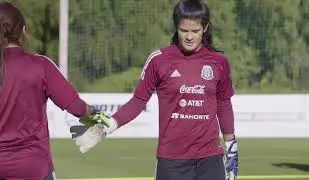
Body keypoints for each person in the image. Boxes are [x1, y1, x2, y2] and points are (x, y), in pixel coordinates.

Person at [72, 0, 238, 179]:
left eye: (195, 31)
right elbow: (138, 102)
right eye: (184, 30)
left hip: (210, 160)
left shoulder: (219, 62)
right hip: (172, 161)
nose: (189, 37)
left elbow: (223, 104)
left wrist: (231, 149)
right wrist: (107, 126)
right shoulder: (159, 60)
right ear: (176, 27)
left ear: (205, 28)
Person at [0, 2, 99, 180]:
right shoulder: (41, 65)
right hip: (33, 166)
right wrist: (103, 119)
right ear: (23, 30)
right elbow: (77, 107)